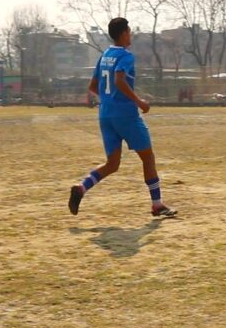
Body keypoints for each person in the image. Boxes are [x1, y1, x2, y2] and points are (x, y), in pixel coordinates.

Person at [68, 17, 176, 217]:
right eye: (129, 31)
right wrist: (139, 101)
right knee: (148, 157)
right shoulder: (126, 56)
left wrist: (108, 100)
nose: (131, 34)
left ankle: (81, 188)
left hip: (105, 115)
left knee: (112, 164)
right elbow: (119, 80)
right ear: (124, 33)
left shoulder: (105, 55)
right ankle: (157, 204)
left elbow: (93, 86)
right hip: (125, 116)